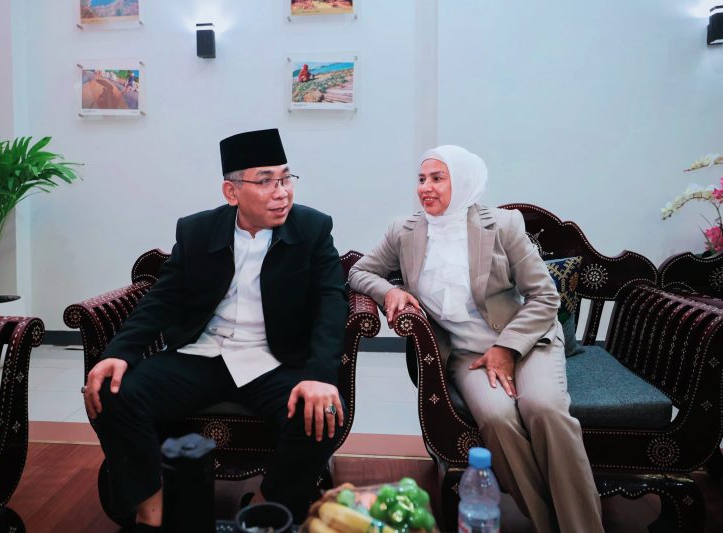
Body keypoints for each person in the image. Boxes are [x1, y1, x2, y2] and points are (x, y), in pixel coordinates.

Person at [82, 128, 348, 531]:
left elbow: (331, 301)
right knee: (109, 391)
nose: (282, 192)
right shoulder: (197, 231)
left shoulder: (313, 229)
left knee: (323, 413)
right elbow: (162, 299)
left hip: (272, 360)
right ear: (231, 192)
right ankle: (151, 512)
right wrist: (119, 353)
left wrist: (320, 375)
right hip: (203, 356)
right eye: (266, 181)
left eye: (286, 178)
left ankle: (262, 511)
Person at [348, 145, 603, 533]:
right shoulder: (404, 230)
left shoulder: (503, 225)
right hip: (468, 354)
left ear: (464, 182)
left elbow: (545, 296)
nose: (425, 188)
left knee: (544, 408)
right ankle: (549, 523)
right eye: (421, 179)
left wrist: (506, 348)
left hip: (526, 341)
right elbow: (359, 271)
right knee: (497, 418)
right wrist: (390, 292)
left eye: (437, 178)